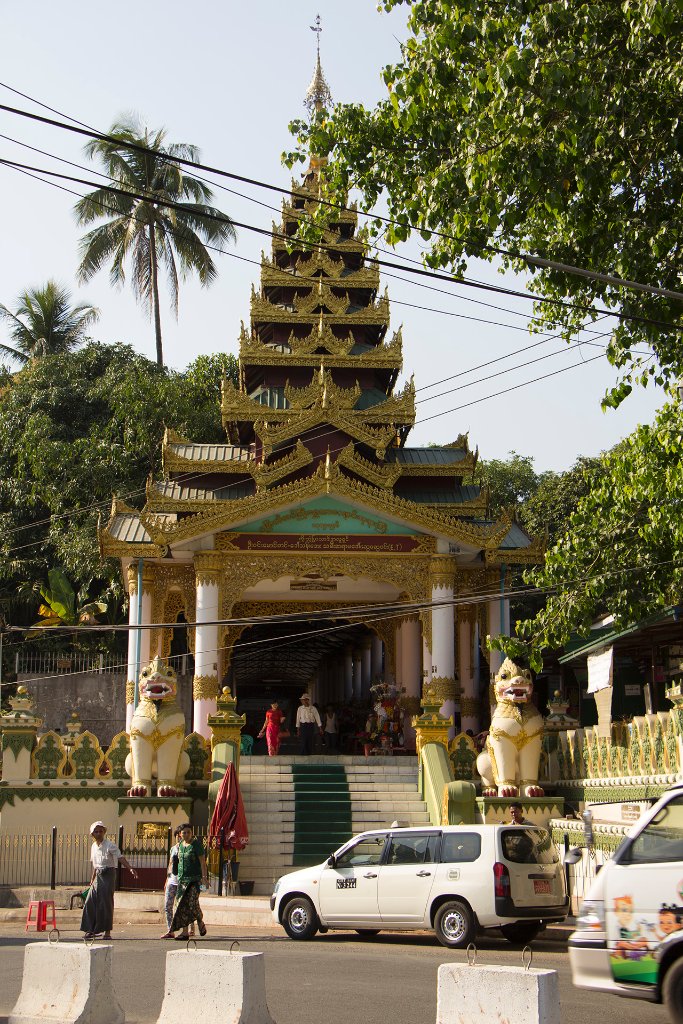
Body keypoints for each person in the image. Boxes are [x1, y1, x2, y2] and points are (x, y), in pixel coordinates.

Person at [81, 821, 137, 940]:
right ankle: (91, 929)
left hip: (108, 875)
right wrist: (92, 879)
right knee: (90, 902)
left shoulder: (110, 845)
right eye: (96, 831)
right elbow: (95, 865)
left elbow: (120, 857)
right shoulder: (93, 846)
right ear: (92, 834)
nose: (99, 833)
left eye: (101, 831)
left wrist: (130, 868)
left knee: (105, 903)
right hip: (98, 875)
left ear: (104, 832)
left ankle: (107, 932)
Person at [171, 823, 208, 940]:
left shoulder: (196, 845)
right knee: (182, 905)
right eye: (184, 833)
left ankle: (200, 921)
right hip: (182, 880)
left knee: (192, 903)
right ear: (180, 834)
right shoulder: (180, 845)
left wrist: (204, 878)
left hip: (195, 880)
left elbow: (202, 862)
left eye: (188, 832)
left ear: (192, 833)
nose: (186, 835)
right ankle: (185, 932)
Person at [161, 826, 194, 939]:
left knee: (184, 905)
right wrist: (167, 879)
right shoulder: (173, 849)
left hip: (183, 881)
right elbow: (170, 864)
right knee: (167, 906)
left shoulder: (188, 848)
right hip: (172, 880)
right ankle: (170, 930)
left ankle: (190, 927)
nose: (179, 838)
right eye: (178, 836)